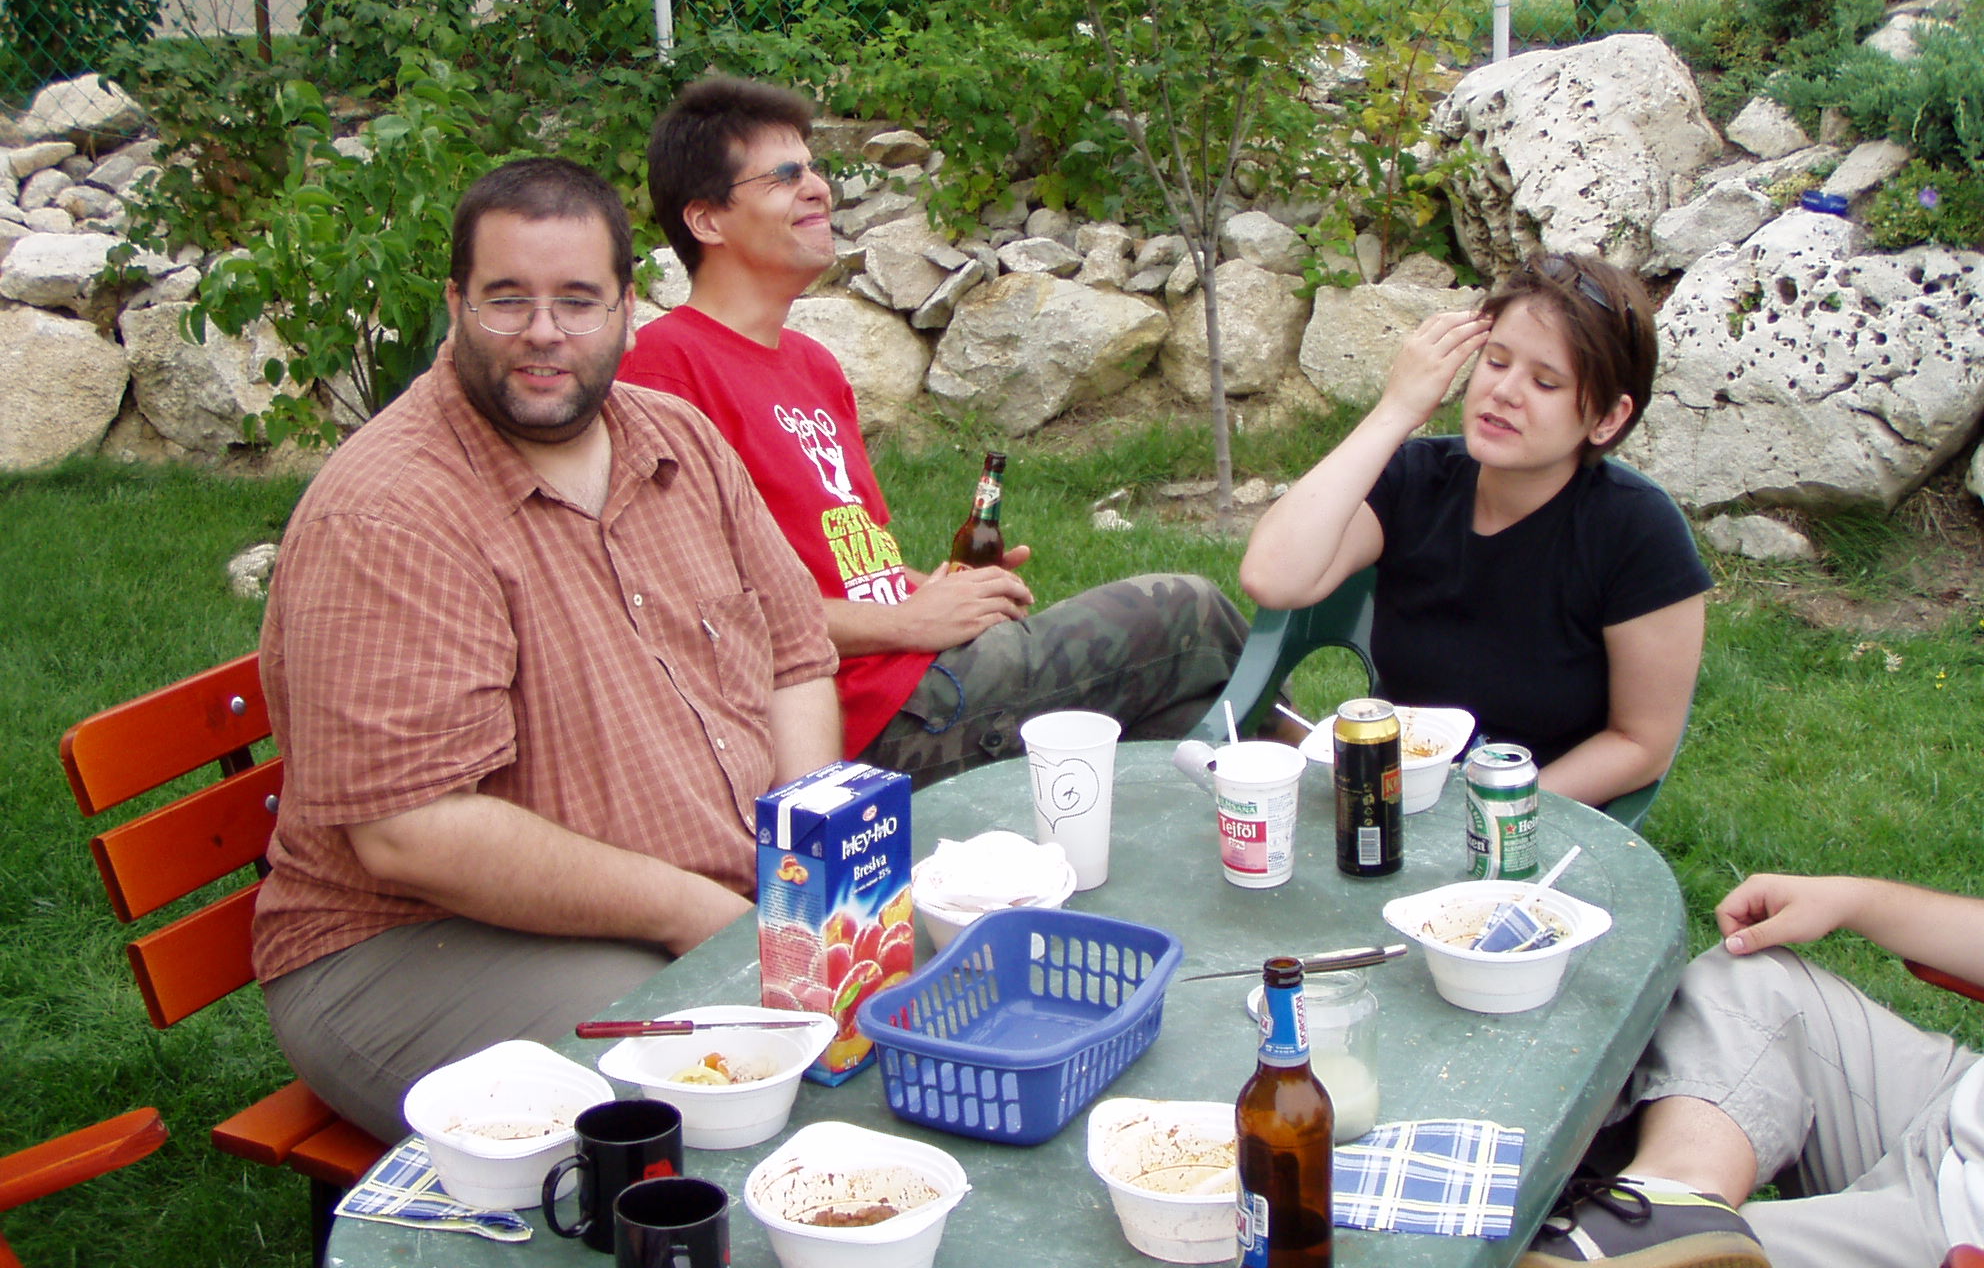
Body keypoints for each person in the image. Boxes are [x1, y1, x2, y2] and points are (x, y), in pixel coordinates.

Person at [251, 157, 841, 1143]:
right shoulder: (390, 513)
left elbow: (795, 655)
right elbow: (410, 833)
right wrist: (694, 913)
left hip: (706, 894)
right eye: (506, 299)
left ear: (627, 309)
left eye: (576, 299)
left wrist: (800, 849)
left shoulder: (681, 441)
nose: (542, 332)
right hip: (411, 942)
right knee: (723, 1089)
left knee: (876, 1014)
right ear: (455, 305)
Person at [619, 76, 1248, 788]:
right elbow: (697, 615)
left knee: (1187, 716)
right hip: (868, 720)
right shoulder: (665, 369)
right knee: (1188, 613)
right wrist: (914, 623)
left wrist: (944, 591)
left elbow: (853, 563)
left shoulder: (812, 366)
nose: (818, 189)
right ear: (707, 220)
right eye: (785, 176)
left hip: (919, 668)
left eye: (813, 170)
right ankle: (1324, 770)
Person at [1240, 253, 1709, 806]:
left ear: (1607, 418)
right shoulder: (1417, 480)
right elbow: (1274, 577)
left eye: (1546, 382)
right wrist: (1394, 412)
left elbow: (1641, 743)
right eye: (1495, 360)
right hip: (1397, 793)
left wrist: (1492, 811)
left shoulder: (1637, 532)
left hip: (1536, 819)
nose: (1505, 391)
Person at [1519, 872, 1984, 1267]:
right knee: (1758, 977)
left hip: (1955, 1230)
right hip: (1956, 1101)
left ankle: (1652, 1230)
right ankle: (1671, 1191)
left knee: (1702, 1258)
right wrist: (1855, 899)